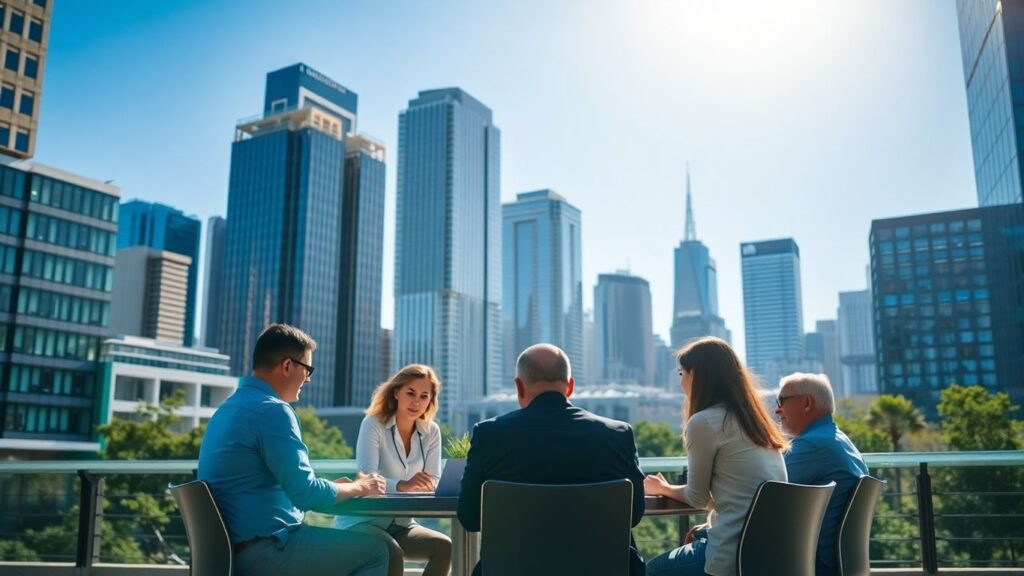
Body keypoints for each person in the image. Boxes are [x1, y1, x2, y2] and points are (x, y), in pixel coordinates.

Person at [198, 323, 389, 576]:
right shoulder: (273, 410)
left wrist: (339, 488)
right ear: (288, 366)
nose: (308, 379)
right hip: (267, 551)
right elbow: (306, 494)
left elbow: (283, 487)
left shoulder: (228, 408)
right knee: (379, 552)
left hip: (234, 552)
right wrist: (360, 487)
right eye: (307, 369)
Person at [457, 343, 647, 576]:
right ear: (570, 387)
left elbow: (469, 517)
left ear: (518, 386)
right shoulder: (618, 434)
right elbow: (634, 513)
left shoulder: (489, 435)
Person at [644, 336, 788, 576]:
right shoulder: (755, 423)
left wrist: (664, 487)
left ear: (698, 377)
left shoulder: (704, 422)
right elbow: (740, 491)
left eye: (682, 374)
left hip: (732, 555)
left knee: (654, 569)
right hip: (771, 553)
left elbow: (696, 498)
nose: (680, 384)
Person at [335, 364, 452, 576]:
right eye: (410, 393)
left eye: (424, 396)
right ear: (396, 392)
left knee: (444, 546)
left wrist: (426, 484)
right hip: (362, 522)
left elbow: (433, 479)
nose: (416, 402)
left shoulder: (431, 432)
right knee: (392, 554)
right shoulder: (373, 424)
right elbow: (366, 476)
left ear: (430, 401)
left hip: (402, 524)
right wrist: (402, 485)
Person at [775, 372, 869, 576]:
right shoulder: (841, 440)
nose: (777, 410)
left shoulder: (811, 445)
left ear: (807, 403)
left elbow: (758, 495)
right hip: (832, 562)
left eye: (781, 401)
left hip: (807, 562)